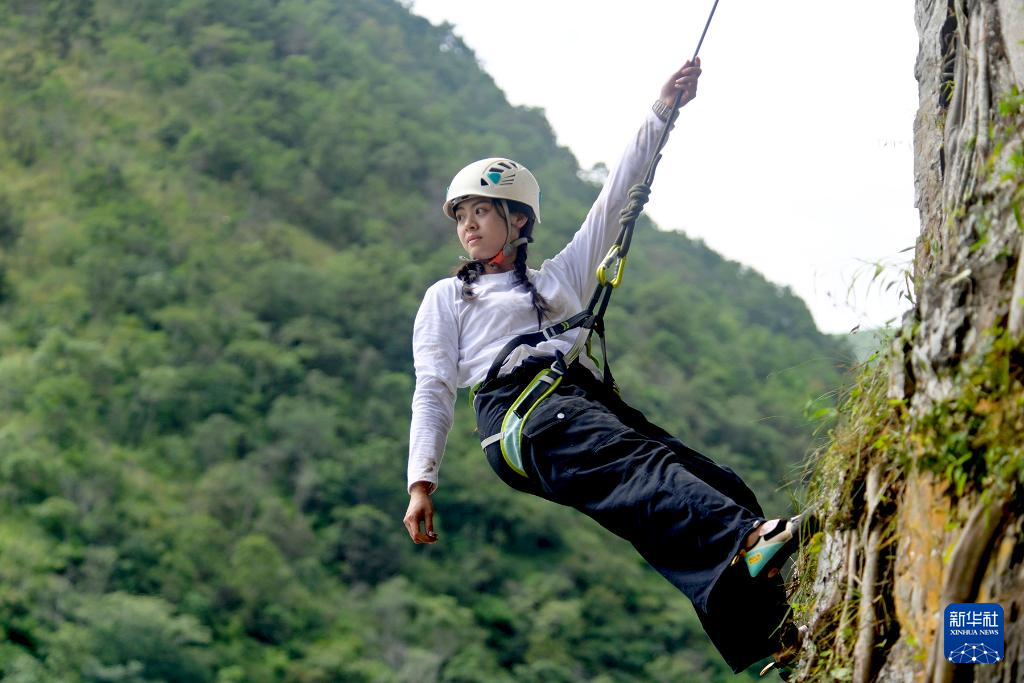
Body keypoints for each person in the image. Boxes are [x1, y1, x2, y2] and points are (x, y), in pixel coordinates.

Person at [403, 57, 815, 676]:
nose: (467, 227)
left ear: (518, 220)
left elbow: (616, 194)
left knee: (710, 483)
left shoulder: (558, 280)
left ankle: (775, 636)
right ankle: (749, 541)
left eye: (480, 212)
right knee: (645, 469)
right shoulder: (448, 297)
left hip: (571, 400)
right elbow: (433, 389)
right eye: (461, 217)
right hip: (519, 413)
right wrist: (421, 482)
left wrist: (663, 110)